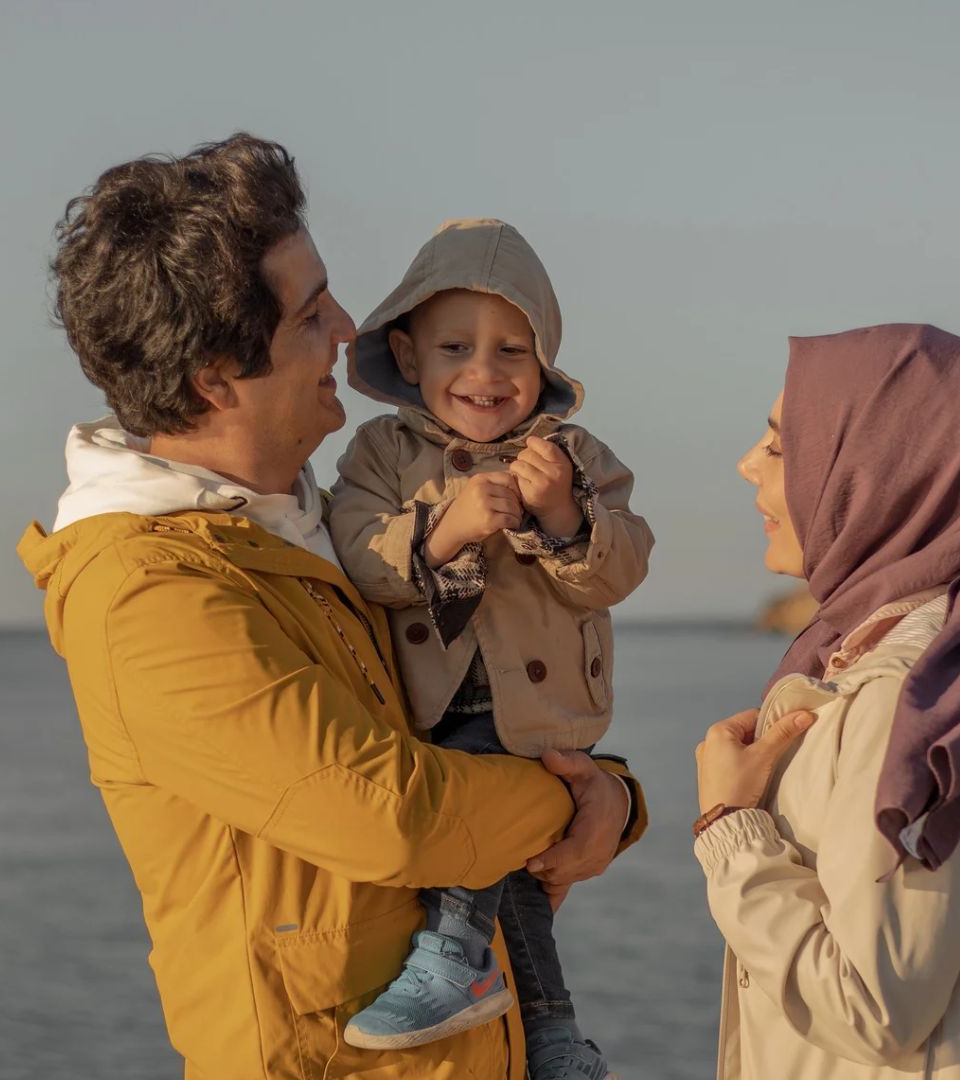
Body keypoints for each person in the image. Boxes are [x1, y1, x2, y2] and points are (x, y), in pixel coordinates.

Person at [15, 134, 645, 1080]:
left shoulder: (321, 525)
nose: (350, 327)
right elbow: (397, 817)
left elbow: (466, 717)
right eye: (311, 315)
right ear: (213, 379)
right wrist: (585, 799)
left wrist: (613, 796)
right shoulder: (145, 591)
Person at [691, 324, 960, 1078]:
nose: (745, 465)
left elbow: (873, 1009)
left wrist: (733, 832)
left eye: (782, 446)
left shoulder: (918, 698)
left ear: (882, 473)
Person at [326, 219, 654, 1078]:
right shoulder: (380, 452)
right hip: (431, 698)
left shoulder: (573, 455)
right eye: (456, 347)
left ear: (544, 362)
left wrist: (566, 517)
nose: (485, 372)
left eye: (513, 349)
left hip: (536, 707)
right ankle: (553, 1034)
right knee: (518, 884)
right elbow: (359, 554)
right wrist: (445, 528)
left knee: (478, 805)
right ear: (408, 352)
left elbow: (621, 567)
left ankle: (451, 958)